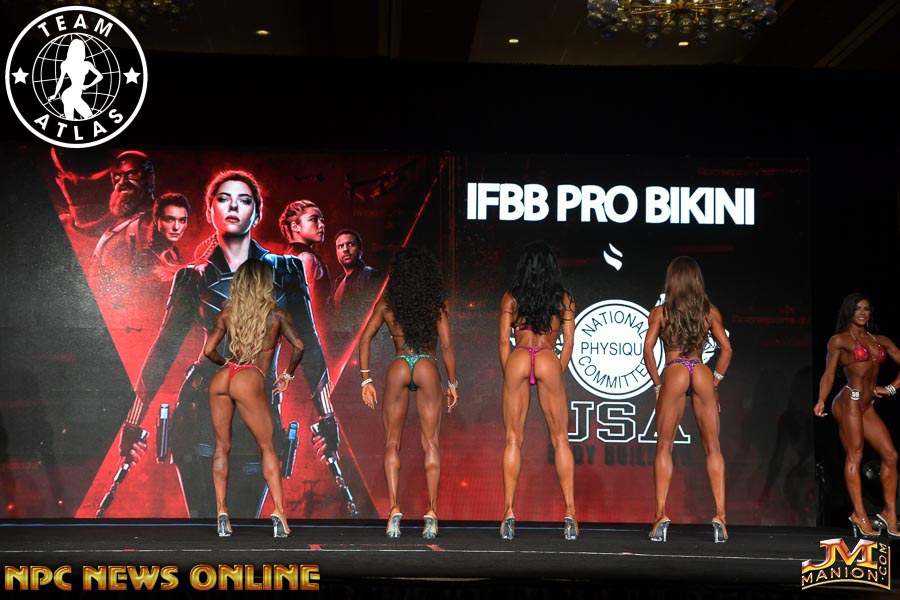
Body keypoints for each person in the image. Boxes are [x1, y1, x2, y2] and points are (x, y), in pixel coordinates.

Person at [118, 170, 348, 519]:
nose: (233, 206)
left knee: (245, 529)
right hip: (198, 414)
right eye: (223, 199)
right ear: (210, 211)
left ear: (257, 212)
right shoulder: (191, 276)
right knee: (203, 528)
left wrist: (327, 417)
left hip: (259, 418)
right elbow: (164, 350)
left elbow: (310, 348)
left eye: (244, 200)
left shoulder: (287, 270)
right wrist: (133, 422)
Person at [357, 248, 458, 539]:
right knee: (431, 442)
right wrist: (453, 384)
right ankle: (432, 513)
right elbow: (447, 346)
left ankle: (393, 511)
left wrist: (366, 380)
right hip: (426, 365)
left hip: (400, 365)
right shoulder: (437, 304)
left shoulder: (388, 304)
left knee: (392, 442)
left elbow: (365, 340)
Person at [203, 259, 305, 538]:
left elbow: (208, 351)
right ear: (265, 283)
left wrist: (227, 365)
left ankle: (222, 513)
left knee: (221, 447)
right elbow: (299, 346)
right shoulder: (276, 314)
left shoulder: (227, 313)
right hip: (250, 378)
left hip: (224, 377)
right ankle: (279, 514)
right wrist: (288, 375)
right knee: (267, 447)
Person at [643, 256, 732, 543]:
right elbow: (727, 349)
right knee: (713, 448)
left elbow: (647, 350)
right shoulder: (709, 312)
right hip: (701, 370)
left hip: (675, 370)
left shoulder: (661, 312)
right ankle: (721, 517)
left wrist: (658, 385)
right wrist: (715, 383)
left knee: (664, 446)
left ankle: (660, 516)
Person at [498, 242, 577, 541]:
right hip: (547, 356)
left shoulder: (512, 296)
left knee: (512, 439)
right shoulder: (563, 299)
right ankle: (570, 514)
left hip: (519, 356)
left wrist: (509, 373)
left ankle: (508, 512)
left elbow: (503, 342)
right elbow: (567, 344)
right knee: (560, 439)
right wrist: (556, 370)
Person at [814, 294, 900, 539]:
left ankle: (889, 513)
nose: (862, 313)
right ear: (848, 312)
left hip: (867, 404)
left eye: (866, 309)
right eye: (857, 309)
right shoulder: (839, 340)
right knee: (856, 454)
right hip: (848, 399)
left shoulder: (880, 340)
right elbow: (829, 373)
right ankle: (859, 514)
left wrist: (892, 388)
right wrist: (821, 399)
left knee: (891, 455)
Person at [279, 200, 330, 322]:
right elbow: (307, 308)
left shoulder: (288, 255)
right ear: (295, 227)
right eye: (314, 219)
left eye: (322, 220)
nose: (322, 225)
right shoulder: (307, 258)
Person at [329, 229, 382, 339]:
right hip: (339, 342)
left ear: (360, 249)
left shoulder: (371, 275)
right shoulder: (338, 281)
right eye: (340, 246)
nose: (345, 250)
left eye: (350, 244)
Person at [134, 192, 190, 281]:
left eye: (182, 220)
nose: (176, 227)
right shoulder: (146, 256)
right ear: (156, 220)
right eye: (169, 220)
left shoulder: (175, 251)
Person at [47, 38, 103, 120]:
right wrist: (54, 95)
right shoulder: (67, 64)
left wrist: (88, 85)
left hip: (74, 95)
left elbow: (100, 76)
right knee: (76, 119)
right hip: (69, 95)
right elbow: (60, 80)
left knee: (86, 118)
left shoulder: (85, 64)